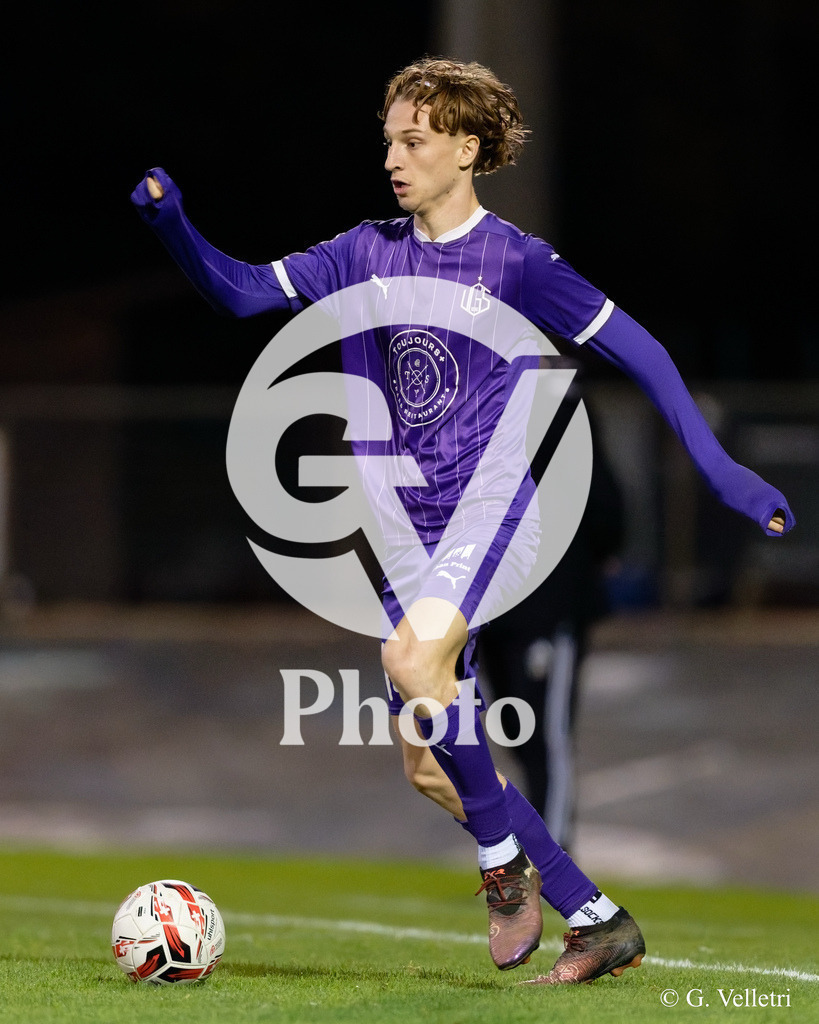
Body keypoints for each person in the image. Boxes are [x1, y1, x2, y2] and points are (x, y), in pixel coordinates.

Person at [131, 57, 793, 985]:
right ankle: (597, 919)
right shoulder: (362, 250)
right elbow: (241, 291)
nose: (395, 159)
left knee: (409, 665)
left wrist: (718, 467)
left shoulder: (519, 262)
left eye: (415, 140)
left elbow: (639, 348)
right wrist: (174, 227)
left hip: (489, 508)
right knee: (432, 767)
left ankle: (500, 870)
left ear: (466, 148)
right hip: (398, 531)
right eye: (390, 140)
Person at [478, 395, 625, 852]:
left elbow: (602, 503)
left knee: (547, 736)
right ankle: (537, 844)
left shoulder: (560, 407)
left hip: (547, 606)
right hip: (495, 606)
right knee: (522, 732)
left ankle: (553, 857)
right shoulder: (480, 404)